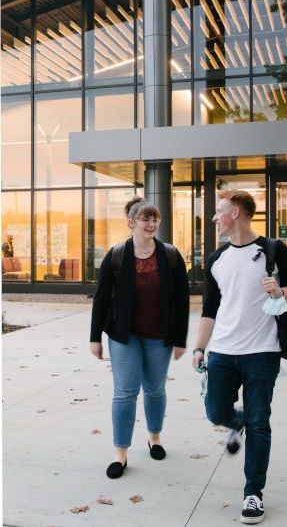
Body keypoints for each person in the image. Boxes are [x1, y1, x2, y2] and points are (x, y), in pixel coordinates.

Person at [192, 190, 287, 524]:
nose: (214, 218)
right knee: (215, 411)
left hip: (263, 352)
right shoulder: (216, 259)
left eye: (219, 212)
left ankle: (253, 493)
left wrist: (280, 290)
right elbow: (210, 308)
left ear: (237, 213)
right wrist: (200, 347)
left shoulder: (272, 250)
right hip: (224, 352)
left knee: (260, 423)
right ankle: (234, 422)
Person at [90, 196, 189, 479]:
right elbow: (100, 298)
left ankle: (154, 438)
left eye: (155, 219)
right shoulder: (117, 255)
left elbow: (182, 301)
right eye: (146, 219)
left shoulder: (170, 255)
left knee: (155, 390)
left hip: (161, 336)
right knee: (125, 392)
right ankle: (120, 454)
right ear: (131, 223)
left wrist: (180, 339)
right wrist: (95, 337)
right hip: (125, 336)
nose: (152, 223)